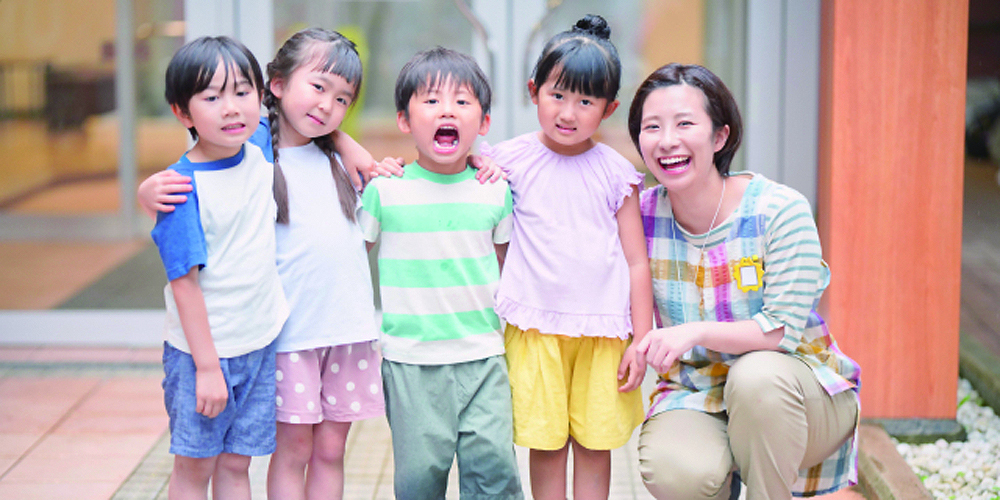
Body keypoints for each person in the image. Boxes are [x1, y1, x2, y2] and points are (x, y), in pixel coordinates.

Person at [141, 28, 386, 500]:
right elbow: (217, 141)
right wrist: (145, 191)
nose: (230, 106)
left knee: (274, 457)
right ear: (276, 84)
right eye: (318, 87)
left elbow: (309, 121)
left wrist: (344, 142)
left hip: (310, 333)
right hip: (260, 339)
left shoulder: (316, 158)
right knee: (228, 460)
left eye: (343, 98)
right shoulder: (252, 150)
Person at [627, 62, 862, 500]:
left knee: (756, 379)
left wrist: (692, 331)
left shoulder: (779, 210)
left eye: (684, 123)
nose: (667, 141)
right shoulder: (638, 215)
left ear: (720, 136)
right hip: (697, 389)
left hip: (797, 388)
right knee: (676, 472)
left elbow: (778, 332)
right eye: (651, 127)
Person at [478, 14, 653, 500]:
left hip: (603, 333)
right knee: (547, 443)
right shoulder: (508, 161)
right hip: (535, 331)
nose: (569, 112)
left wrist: (641, 340)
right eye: (557, 95)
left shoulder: (618, 174)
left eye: (585, 101)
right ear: (533, 90)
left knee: (595, 444)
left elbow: (637, 261)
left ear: (609, 107)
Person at [358, 46, 523, 499]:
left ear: (483, 123)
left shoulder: (494, 191)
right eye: (431, 100)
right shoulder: (385, 191)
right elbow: (351, 258)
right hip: (411, 362)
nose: (447, 109)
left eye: (463, 101)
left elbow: (510, 266)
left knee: (494, 474)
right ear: (404, 121)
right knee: (419, 480)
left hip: (484, 356)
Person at [152, 36, 289, 500]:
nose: (231, 108)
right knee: (195, 467)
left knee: (236, 465)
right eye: (211, 97)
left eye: (242, 91)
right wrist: (208, 369)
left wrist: (357, 155)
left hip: (259, 342)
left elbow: (318, 122)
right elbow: (184, 286)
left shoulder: (260, 145)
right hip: (201, 355)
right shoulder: (178, 189)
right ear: (182, 113)